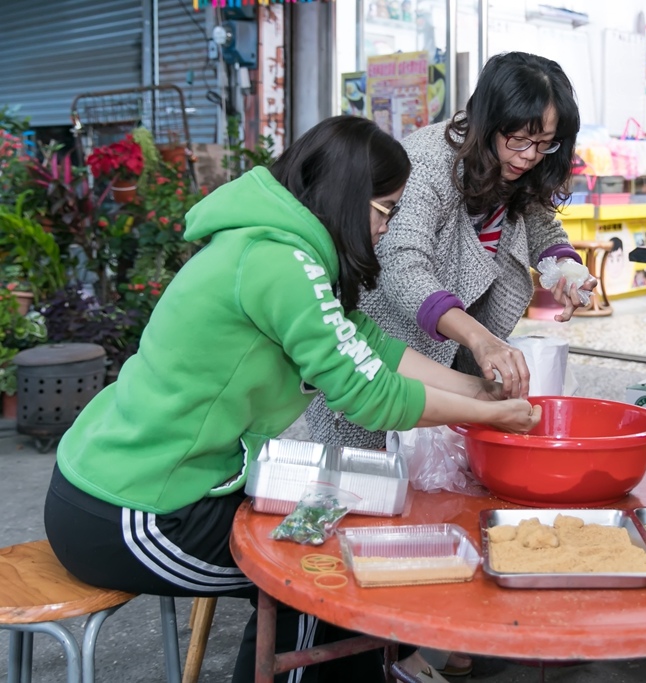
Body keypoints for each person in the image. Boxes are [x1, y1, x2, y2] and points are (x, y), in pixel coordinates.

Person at [43, 115, 541, 683]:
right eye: (384, 211)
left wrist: (476, 386)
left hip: (161, 482)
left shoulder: (286, 250)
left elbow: (370, 346)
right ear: (345, 198)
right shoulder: (277, 262)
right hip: (132, 509)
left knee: (334, 539)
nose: (386, 228)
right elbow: (367, 394)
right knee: (312, 574)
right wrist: (492, 415)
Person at [304, 51, 592, 680]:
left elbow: (541, 221)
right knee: (374, 491)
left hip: (467, 336)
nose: (526, 156)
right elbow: (403, 263)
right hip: (395, 336)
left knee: (458, 485)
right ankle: (380, 645)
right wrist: (481, 343)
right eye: (518, 139)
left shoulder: (523, 169)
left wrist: (564, 268)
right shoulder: (430, 160)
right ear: (487, 119)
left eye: (544, 144)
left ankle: (457, 630)